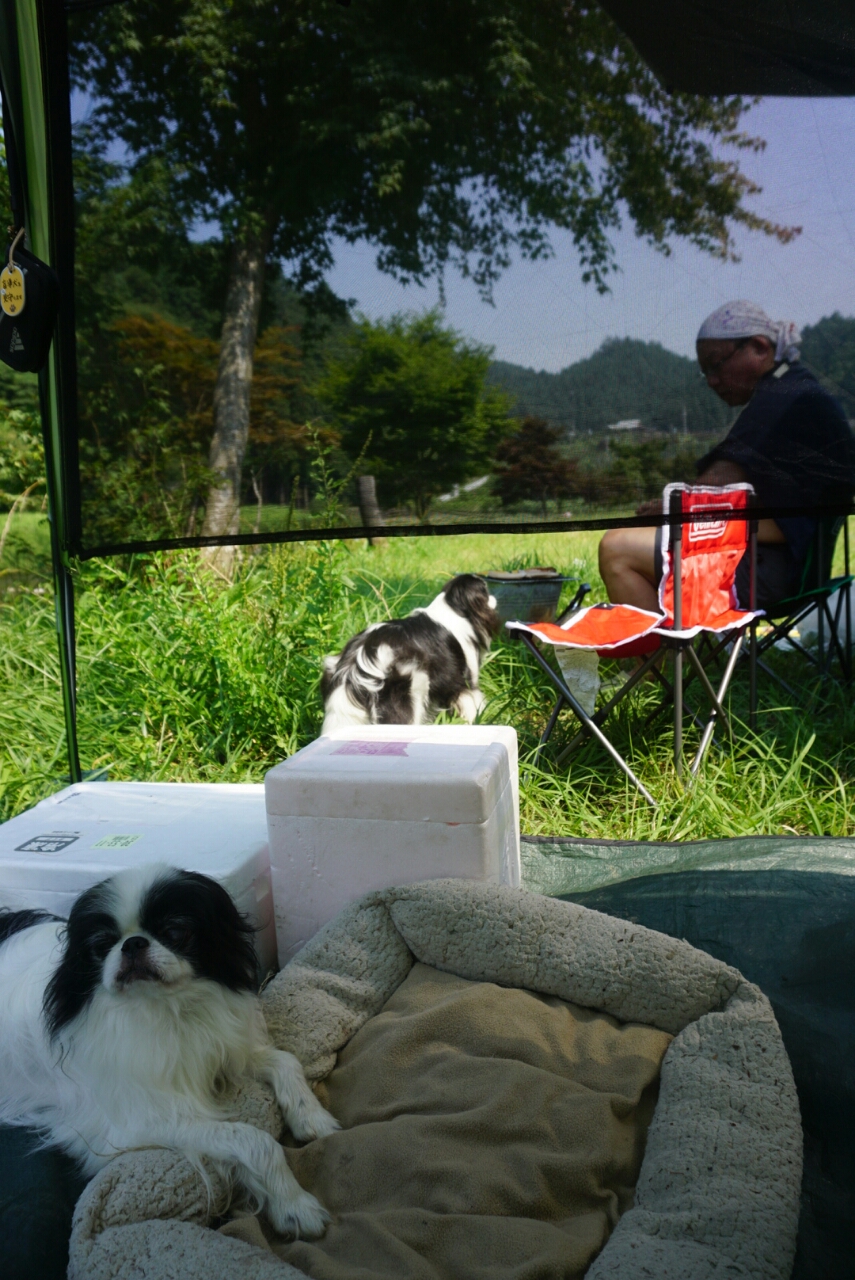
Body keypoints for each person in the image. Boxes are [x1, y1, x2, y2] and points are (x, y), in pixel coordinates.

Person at [598, 300, 855, 613]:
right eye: (705, 372)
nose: (712, 380)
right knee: (644, 543)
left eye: (716, 364)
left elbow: (718, 481)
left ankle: (663, 648)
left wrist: (674, 507)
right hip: (803, 573)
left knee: (616, 549)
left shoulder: (781, 398)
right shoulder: (798, 390)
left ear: (759, 347)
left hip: (771, 574)